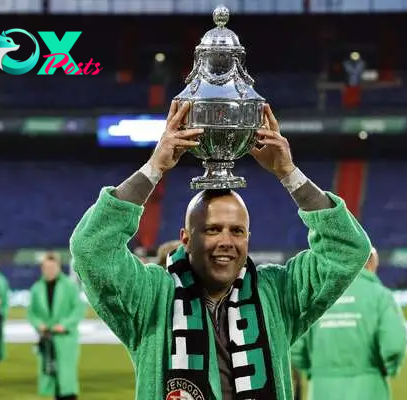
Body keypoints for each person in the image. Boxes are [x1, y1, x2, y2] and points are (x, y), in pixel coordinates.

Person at [69, 101, 372, 400]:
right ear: (186, 238)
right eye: (213, 229)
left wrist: (289, 174)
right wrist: (153, 168)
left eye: (237, 231)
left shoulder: (277, 296)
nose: (226, 241)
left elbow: (347, 248)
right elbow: (91, 249)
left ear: (248, 238)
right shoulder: (151, 298)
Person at [291, 247, 407, 400]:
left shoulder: (317, 295)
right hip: (368, 389)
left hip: (322, 390)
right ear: (370, 264)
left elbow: (295, 347)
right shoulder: (380, 296)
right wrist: (389, 368)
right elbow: (394, 346)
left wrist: (316, 370)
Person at [27, 252, 85, 400]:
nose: (50, 271)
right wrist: (38, 324)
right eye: (46, 267)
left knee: (66, 377)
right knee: (51, 375)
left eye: (53, 267)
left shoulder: (70, 286)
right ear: (42, 268)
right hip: (47, 338)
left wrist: (64, 325)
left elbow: (78, 309)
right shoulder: (36, 288)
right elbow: (32, 312)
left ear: (59, 267)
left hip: (65, 339)